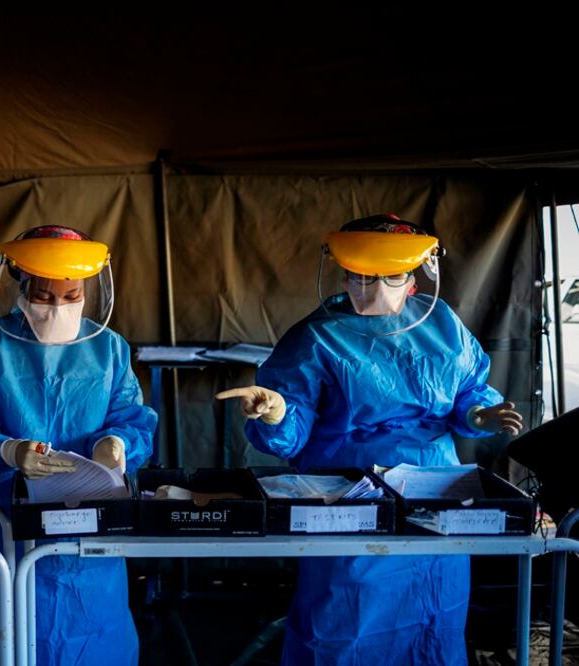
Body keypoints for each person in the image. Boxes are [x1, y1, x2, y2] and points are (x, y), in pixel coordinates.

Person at [218, 213, 523, 665]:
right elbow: (293, 428)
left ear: (416, 275)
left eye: (391, 277)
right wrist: (278, 413)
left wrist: (480, 414)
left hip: (433, 497)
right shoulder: (317, 336)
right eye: (362, 278)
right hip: (349, 498)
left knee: (433, 617)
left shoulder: (441, 324)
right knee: (347, 620)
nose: (375, 290)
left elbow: (467, 393)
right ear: (343, 272)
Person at [0, 225, 156, 665]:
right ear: (21, 285)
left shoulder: (108, 349)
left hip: (91, 527)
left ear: (88, 290)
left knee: (92, 637)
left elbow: (131, 418)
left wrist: (116, 444)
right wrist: (6, 452)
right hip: (7, 528)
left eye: (71, 297)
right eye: (45, 297)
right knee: (8, 637)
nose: (58, 309)